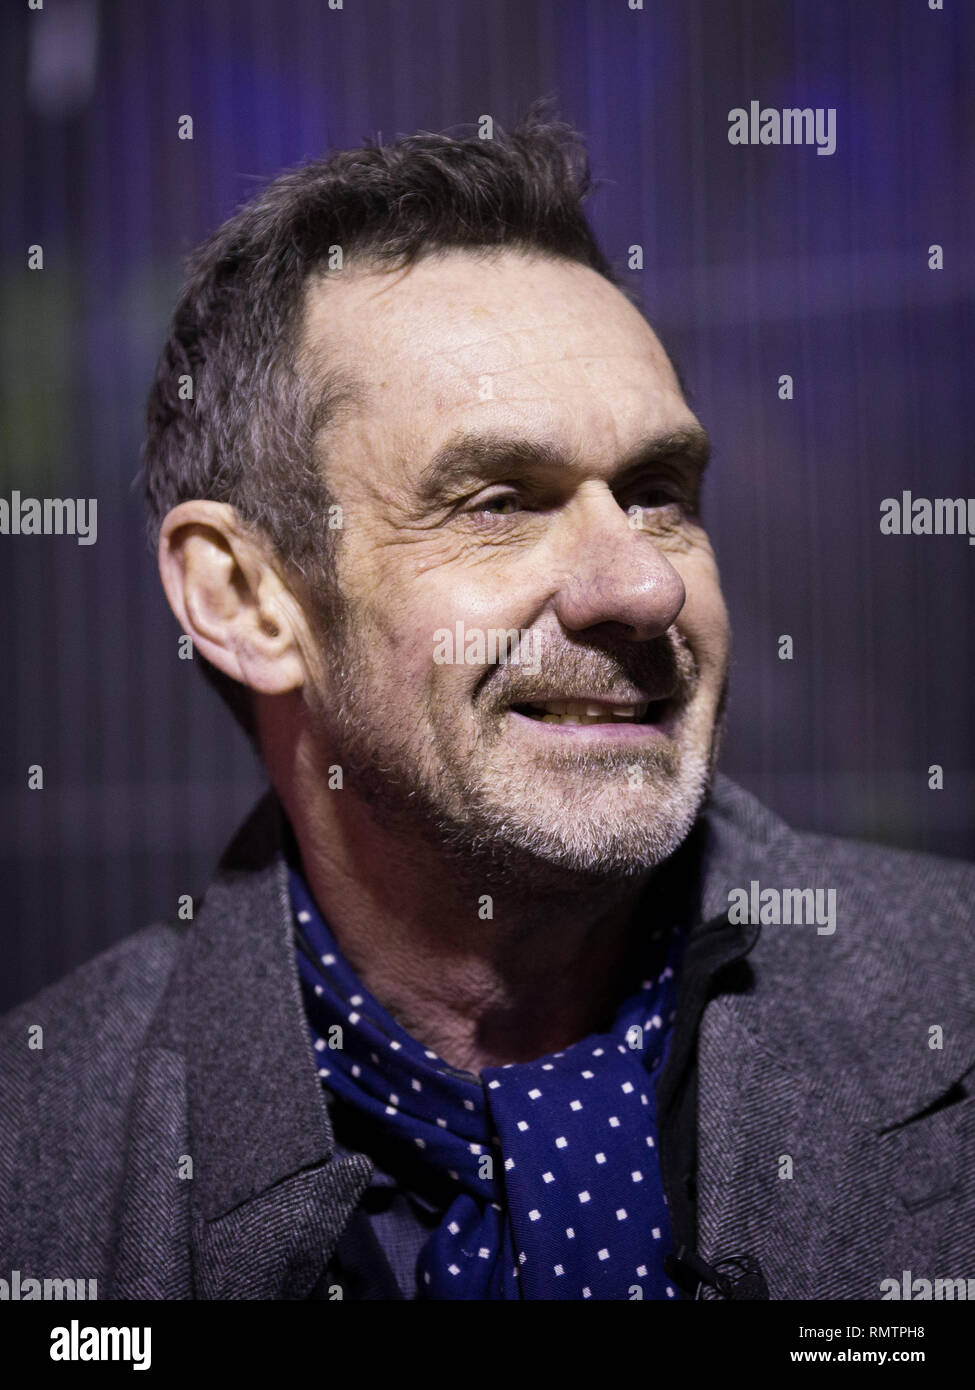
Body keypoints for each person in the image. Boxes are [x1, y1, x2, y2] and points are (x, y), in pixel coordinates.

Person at [2, 106, 972, 1302]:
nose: (644, 582)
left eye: (659, 492)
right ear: (248, 597)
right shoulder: (34, 1162)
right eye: (500, 501)